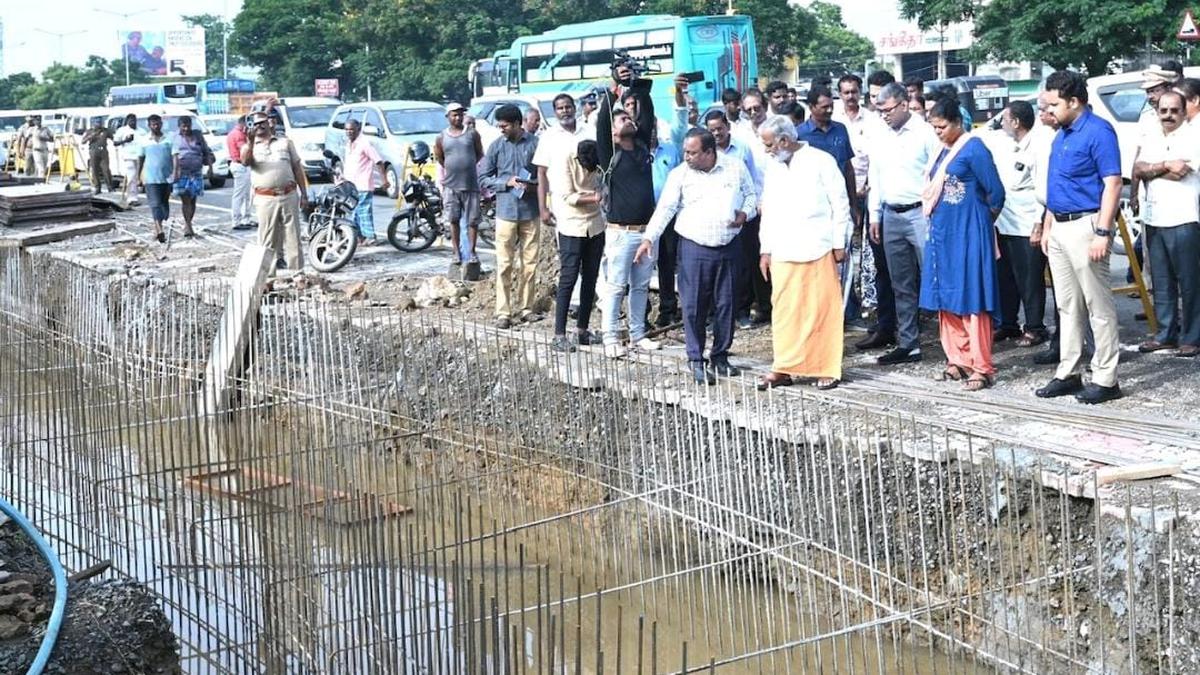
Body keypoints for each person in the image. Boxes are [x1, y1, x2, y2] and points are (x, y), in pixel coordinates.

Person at [634, 129, 758, 385]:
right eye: (685, 152)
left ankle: (720, 356)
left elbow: (751, 196)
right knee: (693, 306)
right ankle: (695, 359)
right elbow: (665, 209)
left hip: (728, 245)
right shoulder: (680, 175)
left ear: (709, 152)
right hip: (694, 248)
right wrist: (649, 238)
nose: (687, 157)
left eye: (692, 152)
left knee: (727, 304)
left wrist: (745, 214)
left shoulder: (734, 167)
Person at [1035, 70, 1124, 404]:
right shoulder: (1062, 134)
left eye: (1054, 104)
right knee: (1066, 305)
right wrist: (1047, 226)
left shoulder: (1098, 132)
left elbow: (1113, 184)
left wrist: (1103, 231)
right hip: (1059, 226)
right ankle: (1068, 370)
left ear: (1074, 101)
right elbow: (1056, 186)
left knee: (1097, 305)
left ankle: (1106, 377)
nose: (1049, 110)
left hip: (1086, 226)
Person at [755, 116, 851, 391]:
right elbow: (769, 211)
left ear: (785, 140)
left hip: (818, 245)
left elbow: (840, 203)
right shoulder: (772, 168)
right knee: (785, 312)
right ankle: (784, 367)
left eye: (770, 144)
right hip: (783, 249)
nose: (767, 150)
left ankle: (826, 367)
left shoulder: (821, 160)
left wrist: (839, 242)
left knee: (821, 310)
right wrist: (766, 250)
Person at [919, 95, 1006, 391]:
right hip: (943, 234)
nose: (938, 132)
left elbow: (996, 193)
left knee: (973, 298)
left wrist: (979, 224)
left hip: (969, 235)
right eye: (934, 127)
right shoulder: (943, 151)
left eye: (942, 126)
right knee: (947, 296)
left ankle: (981, 367)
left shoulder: (974, 148)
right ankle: (957, 359)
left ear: (957, 122)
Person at [867, 82, 943, 366]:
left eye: (887, 110)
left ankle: (953, 344)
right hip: (890, 214)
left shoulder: (925, 133)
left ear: (902, 104)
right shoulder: (879, 135)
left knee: (935, 276)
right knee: (901, 283)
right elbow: (875, 177)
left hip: (920, 214)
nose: (883, 115)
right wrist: (875, 215)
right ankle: (909, 343)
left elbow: (939, 173)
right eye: (879, 110)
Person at [1131, 90, 1200, 357]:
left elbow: (1182, 171)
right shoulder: (1152, 135)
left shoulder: (1193, 136)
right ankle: (1165, 334)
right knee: (1161, 280)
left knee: (1190, 281)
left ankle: (1192, 337)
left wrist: (1153, 171)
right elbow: (1138, 169)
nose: (1168, 115)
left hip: (1183, 217)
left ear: (1184, 112)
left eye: (1174, 110)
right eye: (1164, 110)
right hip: (1154, 218)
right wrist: (1164, 166)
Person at [596, 68, 658, 357]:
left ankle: (637, 334)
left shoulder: (643, 145)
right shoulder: (610, 153)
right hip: (621, 233)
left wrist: (638, 88)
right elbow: (602, 117)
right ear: (611, 130)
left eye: (629, 116)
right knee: (616, 286)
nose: (628, 119)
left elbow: (646, 110)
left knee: (641, 287)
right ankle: (610, 336)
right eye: (621, 118)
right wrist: (615, 85)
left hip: (646, 231)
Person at [991, 99, 1052, 348]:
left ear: (1015, 122)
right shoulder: (1008, 144)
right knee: (1006, 277)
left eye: (1005, 119)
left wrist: (1039, 224)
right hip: (1006, 222)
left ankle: (1035, 327)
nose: (1001, 123)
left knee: (1029, 279)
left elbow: (1043, 190)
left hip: (1028, 223)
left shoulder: (1038, 145)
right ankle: (1008, 324)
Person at [480, 104, 541, 329]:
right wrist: (504, 183)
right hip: (505, 212)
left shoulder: (535, 144)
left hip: (531, 211)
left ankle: (527, 308)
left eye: (504, 125)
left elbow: (546, 174)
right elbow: (483, 178)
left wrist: (533, 186)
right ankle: (503, 312)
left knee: (530, 263)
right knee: (504, 263)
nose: (501, 129)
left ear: (517, 124)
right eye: (499, 126)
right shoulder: (496, 147)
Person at [549, 139, 606, 352]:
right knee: (568, 278)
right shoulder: (566, 160)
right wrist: (595, 196)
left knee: (591, 278)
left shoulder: (598, 159)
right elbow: (569, 196)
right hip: (572, 226)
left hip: (596, 225)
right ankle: (559, 335)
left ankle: (582, 330)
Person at [650, 77, 697, 328]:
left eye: (654, 128)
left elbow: (680, 120)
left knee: (670, 263)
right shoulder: (632, 153)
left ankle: (671, 309)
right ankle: (645, 313)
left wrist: (679, 93)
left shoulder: (671, 149)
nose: (651, 132)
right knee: (644, 266)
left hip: (671, 216)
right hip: (642, 218)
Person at [242, 112, 309, 274]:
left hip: (288, 194)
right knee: (267, 238)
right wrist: (250, 142)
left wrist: (304, 193)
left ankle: (297, 273)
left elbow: (297, 168)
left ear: (270, 123)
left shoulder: (285, 143)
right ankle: (268, 276)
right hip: (265, 198)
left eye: (263, 122)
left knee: (293, 236)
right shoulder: (249, 146)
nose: (260, 126)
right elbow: (245, 161)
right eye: (256, 124)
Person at [435, 102, 485, 264]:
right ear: (448, 117)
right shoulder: (442, 137)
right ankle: (456, 252)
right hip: (451, 185)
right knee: (453, 219)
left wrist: (466, 166)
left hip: (470, 184)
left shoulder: (472, 134)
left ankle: (471, 251)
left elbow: (479, 154)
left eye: (460, 114)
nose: (458, 118)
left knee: (472, 221)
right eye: (454, 115)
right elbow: (440, 157)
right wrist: (452, 167)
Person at [342, 119, 390, 245]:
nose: (349, 132)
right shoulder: (348, 144)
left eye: (351, 129)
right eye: (346, 129)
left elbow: (379, 162)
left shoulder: (364, 144)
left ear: (358, 129)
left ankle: (370, 236)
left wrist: (384, 179)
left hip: (363, 184)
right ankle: (359, 237)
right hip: (351, 185)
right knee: (354, 212)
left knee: (364, 211)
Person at [171, 116, 212, 238]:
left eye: (188, 125)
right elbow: (171, 155)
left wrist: (210, 168)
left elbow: (206, 152)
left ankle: (189, 222)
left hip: (196, 171)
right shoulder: (174, 137)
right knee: (185, 199)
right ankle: (187, 224)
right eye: (183, 126)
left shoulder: (197, 136)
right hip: (182, 171)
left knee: (193, 199)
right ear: (179, 126)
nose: (186, 128)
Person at [137, 115, 174, 243]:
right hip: (150, 178)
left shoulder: (168, 139)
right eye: (153, 124)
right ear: (149, 125)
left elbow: (174, 157)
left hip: (166, 177)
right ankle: (159, 230)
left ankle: (158, 226)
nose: (155, 126)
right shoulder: (144, 141)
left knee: (164, 206)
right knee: (155, 204)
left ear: (161, 124)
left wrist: (175, 172)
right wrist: (138, 177)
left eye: (157, 124)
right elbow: (140, 159)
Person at [226, 115, 255, 230]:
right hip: (240, 165)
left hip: (239, 165)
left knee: (246, 194)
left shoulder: (234, 133)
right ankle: (237, 220)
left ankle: (245, 218)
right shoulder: (239, 135)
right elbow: (244, 151)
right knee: (240, 194)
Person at [114, 114, 142, 206]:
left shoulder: (141, 131)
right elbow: (115, 143)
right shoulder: (122, 131)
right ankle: (132, 198)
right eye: (131, 121)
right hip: (128, 157)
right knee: (131, 177)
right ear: (127, 121)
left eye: (134, 120)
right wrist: (125, 140)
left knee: (139, 178)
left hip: (140, 157)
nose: (133, 122)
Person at [81, 120, 113, 194]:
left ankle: (110, 187)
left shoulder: (105, 130)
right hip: (93, 151)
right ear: (93, 124)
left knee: (106, 169)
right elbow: (83, 141)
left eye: (100, 123)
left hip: (103, 151)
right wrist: (91, 136)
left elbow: (112, 137)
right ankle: (97, 187)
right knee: (95, 170)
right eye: (97, 123)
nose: (98, 125)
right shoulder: (90, 131)